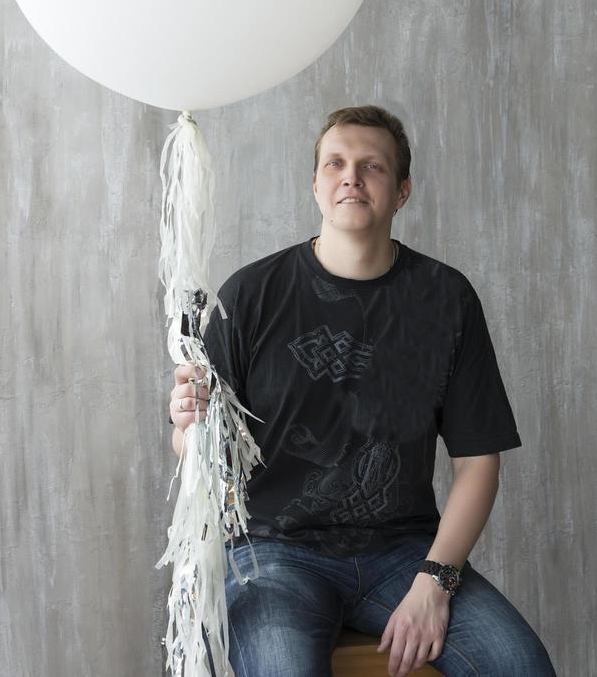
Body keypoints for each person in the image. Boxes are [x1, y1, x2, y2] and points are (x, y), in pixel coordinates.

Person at [169, 105, 556, 677]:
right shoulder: (249, 296)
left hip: (403, 552)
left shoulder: (446, 299)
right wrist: (188, 426)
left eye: (371, 165)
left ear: (402, 192)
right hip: (271, 550)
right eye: (336, 163)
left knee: (520, 665)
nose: (351, 176)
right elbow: (204, 461)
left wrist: (437, 580)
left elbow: (478, 461)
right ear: (317, 186)